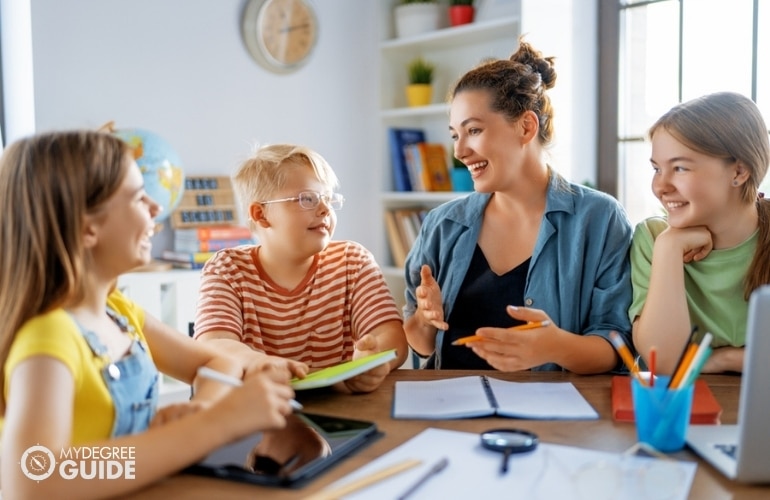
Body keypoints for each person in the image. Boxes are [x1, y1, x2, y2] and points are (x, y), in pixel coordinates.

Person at [0, 130, 299, 499]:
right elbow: (33, 477)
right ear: (87, 227)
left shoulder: (118, 313)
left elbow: (216, 363)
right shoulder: (48, 339)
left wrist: (201, 408)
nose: (156, 208)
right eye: (138, 197)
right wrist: (213, 425)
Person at [403, 38, 634, 372]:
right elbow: (421, 344)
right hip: (449, 413)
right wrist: (426, 319)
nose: (459, 151)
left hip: (552, 417)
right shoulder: (442, 225)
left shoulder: (599, 219)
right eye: (455, 135)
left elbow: (618, 346)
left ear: (526, 127)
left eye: (474, 130)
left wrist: (556, 346)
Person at [194, 143, 408, 392]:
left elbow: (392, 337)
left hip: (342, 410)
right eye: (308, 198)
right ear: (261, 215)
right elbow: (215, 344)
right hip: (258, 412)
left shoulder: (353, 261)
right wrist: (265, 364)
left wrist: (373, 362)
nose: (325, 208)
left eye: (328, 198)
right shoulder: (226, 269)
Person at [630, 92, 770, 375]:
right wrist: (670, 248)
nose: (661, 186)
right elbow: (664, 362)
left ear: (739, 171)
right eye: (657, 168)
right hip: (681, 414)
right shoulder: (654, 238)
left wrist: (717, 361)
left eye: (680, 168)